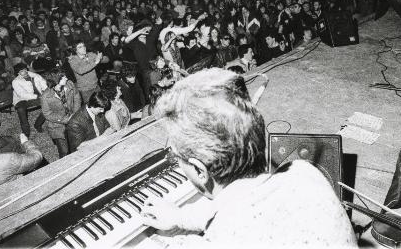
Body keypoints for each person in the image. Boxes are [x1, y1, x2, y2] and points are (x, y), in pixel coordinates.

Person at [139, 68, 356, 247]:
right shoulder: (305, 173)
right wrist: (179, 216)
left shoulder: (224, 239)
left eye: (175, 155)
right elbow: (242, 206)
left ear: (199, 170)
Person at [41, 68, 81, 158]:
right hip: (57, 126)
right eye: (63, 77)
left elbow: (77, 97)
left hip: (73, 119)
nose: (66, 78)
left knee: (76, 146)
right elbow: (47, 114)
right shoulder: (46, 96)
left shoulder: (70, 84)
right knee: (64, 152)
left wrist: (75, 113)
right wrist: (65, 119)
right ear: (56, 80)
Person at [11, 63, 47, 136]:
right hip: (21, 100)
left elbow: (44, 84)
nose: (25, 72)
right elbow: (22, 94)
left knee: (48, 104)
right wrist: (37, 96)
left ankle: (37, 124)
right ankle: (26, 132)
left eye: (25, 69)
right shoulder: (15, 81)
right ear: (18, 73)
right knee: (21, 110)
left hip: (35, 97)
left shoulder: (35, 76)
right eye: (22, 71)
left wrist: (45, 93)